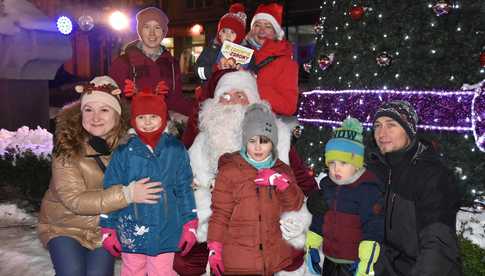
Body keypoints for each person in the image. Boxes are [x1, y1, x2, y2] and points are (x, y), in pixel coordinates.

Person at [174, 70, 313, 276]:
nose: (232, 103)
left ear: (253, 101)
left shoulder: (278, 136)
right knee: (187, 260)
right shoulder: (203, 141)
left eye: (240, 96)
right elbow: (185, 181)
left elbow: (300, 182)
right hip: (217, 214)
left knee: (289, 254)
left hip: (267, 216)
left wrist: (301, 211)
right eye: (225, 97)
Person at [38, 76, 163, 276]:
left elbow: (156, 178)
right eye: (88, 109)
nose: (95, 117)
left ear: (118, 115)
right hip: (65, 226)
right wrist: (127, 195)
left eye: (104, 110)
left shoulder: (132, 146)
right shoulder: (67, 147)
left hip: (105, 228)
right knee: (72, 271)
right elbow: (74, 200)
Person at [98, 85, 197, 276]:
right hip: (132, 226)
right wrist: (107, 226)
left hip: (166, 227)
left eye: (153, 116)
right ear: (134, 120)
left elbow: (184, 188)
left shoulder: (175, 149)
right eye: (141, 117)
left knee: (161, 271)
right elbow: (111, 188)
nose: (148, 122)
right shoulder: (124, 151)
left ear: (163, 117)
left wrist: (190, 222)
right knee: (133, 270)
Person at [207, 103, 305, 276]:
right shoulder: (230, 171)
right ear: (245, 141)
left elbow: (295, 204)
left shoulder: (282, 169)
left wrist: (282, 184)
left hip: (269, 256)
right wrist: (215, 246)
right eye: (252, 141)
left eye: (264, 141)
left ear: (273, 143)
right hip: (238, 256)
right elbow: (220, 213)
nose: (258, 147)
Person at [368, 101, 462, 276]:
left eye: (391, 125)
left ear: (409, 130)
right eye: (377, 126)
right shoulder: (379, 166)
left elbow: (438, 246)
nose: (381, 133)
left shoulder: (432, 175)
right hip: (383, 267)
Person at [305, 117, 384, 276]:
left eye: (343, 163)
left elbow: (373, 228)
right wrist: (312, 246)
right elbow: (320, 218)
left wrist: (365, 263)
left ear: (357, 164)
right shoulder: (328, 186)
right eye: (332, 163)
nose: (336, 169)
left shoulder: (366, 189)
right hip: (330, 259)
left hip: (352, 263)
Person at [109, 6, 193, 116]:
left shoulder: (172, 63)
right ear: (140, 31)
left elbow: (176, 100)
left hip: (164, 126)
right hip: (133, 127)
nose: (152, 33)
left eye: (157, 27)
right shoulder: (123, 62)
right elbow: (114, 101)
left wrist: (202, 109)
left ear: (163, 32)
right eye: (147, 27)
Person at [243, 2, 299, 116]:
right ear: (252, 29)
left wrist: (254, 84)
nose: (261, 30)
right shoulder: (240, 51)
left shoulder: (286, 63)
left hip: (264, 126)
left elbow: (289, 107)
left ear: (276, 32)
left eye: (268, 26)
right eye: (257, 25)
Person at [195, 3, 247, 82]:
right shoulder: (211, 50)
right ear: (219, 33)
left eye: (232, 32)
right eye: (224, 31)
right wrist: (215, 68)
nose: (227, 35)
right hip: (213, 92)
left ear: (239, 36)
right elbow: (198, 71)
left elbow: (254, 74)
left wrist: (243, 71)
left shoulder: (246, 52)